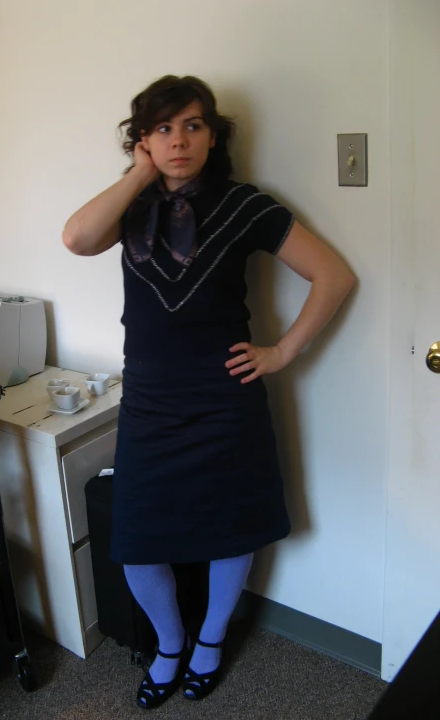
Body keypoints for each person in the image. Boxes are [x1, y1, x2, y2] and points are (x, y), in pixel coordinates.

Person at [62, 75, 355, 710]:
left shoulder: (245, 204)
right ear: (141, 140)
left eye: (193, 125)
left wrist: (282, 351)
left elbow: (333, 275)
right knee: (137, 540)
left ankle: (211, 640)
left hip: (225, 399)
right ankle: (170, 645)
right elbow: (77, 238)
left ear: (214, 134)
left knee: (230, 530)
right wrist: (139, 177)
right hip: (149, 401)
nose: (178, 140)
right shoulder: (129, 206)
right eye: (163, 128)